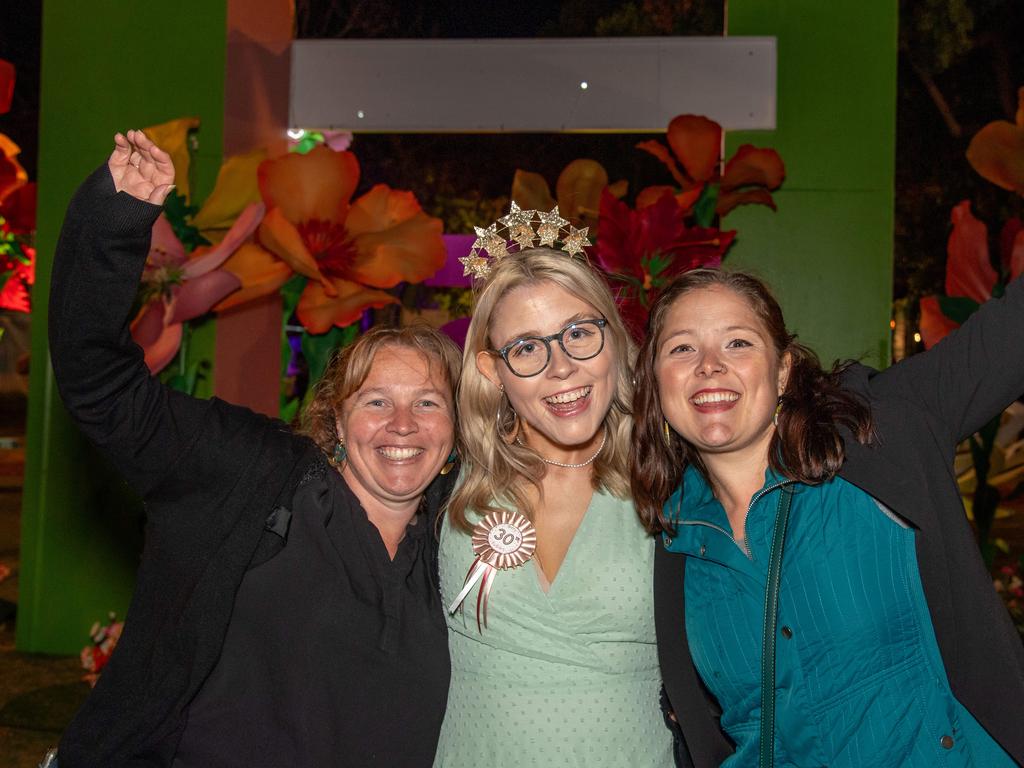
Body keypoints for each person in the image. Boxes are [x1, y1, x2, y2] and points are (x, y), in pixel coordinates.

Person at [48, 130, 461, 767]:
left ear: (457, 428)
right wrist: (115, 220)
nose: (402, 424)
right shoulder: (245, 473)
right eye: (376, 400)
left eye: (428, 402)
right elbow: (99, 382)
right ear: (335, 412)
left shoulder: (460, 545)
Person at [631, 267, 1024, 767]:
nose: (709, 365)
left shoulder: (877, 438)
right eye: (682, 348)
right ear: (654, 379)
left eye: (738, 343)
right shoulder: (674, 541)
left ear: (782, 371)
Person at [433, 241, 675, 767]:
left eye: (579, 334)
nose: (561, 368)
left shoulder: (672, 480)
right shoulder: (441, 470)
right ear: (492, 370)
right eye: (525, 348)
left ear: (614, 339)